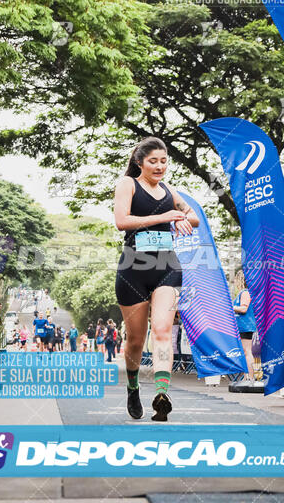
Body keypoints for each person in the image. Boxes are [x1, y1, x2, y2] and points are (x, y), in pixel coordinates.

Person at [114, 136, 199, 422]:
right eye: (153, 161)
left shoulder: (169, 190)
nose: (160, 166)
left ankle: (162, 394)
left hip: (167, 265)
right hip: (133, 267)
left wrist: (181, 217)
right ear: (140, 162)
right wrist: (164, 215)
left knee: (163, 330)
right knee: (136, 340)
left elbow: (193, 216)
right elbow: (121, 221)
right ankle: (133, 386)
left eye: (164, 161)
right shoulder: (128, 184)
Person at [233, 271, 256, 382]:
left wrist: (230, 307)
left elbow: (243, 309)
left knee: (247, 351)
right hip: (242, 326)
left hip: (246, 326)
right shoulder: (243, 293)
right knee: (245, 352)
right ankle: (247, 376)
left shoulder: (245, 293)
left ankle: (250, 378)